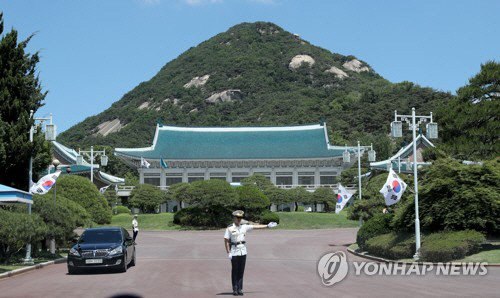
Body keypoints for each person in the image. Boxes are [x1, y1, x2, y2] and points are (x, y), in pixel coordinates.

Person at [224, 210, 278, 296]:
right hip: (234, 251)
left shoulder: (244, 227)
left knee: (241, 271)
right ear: (234, 218)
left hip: (243, 251)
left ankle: (240, 289)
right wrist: (228, 252)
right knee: (235, 270)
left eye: (240, 218)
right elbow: (226, 241)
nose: (239, 219)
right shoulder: (229, 228)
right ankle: (235, 288)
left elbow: (255, 227)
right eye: (237, 218)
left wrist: (267, 226)